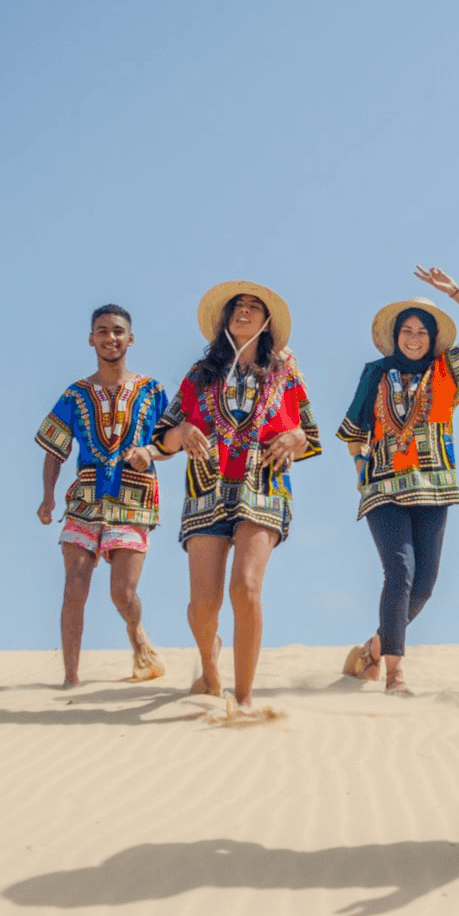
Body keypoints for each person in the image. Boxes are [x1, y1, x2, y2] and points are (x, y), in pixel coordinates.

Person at [334, 266, 459, 695]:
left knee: (425, 585)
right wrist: (359, 469)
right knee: (400, 571)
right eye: (406, 330)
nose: (413, 338)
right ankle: (395, 674)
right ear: (395, 336)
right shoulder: (375, 373)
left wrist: (456, 293)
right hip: (383, 487)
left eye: (421, 332)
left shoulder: (449, 373)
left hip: (434, 487)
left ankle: (374, 646)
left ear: (431, 338)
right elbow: (353, 430)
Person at [154, 281, 320, 711]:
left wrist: (296, 437)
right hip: (206, 490)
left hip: (262, 487)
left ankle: (244, 701)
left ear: (267, 322)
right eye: (237, 306)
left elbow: (310, 434)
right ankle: (211, 673)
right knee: (203, 605)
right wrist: (182, 431)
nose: (244, 312)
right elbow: (162, 439)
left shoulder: (286, 369)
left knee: (245, 589)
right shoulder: (200, 372)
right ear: (225, 318)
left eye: (253, 307)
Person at [35, 304, 170, 690]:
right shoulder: (76, 394)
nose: (110, 337)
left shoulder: (153, 391)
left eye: (117, 331)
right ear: (91, 339)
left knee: (122, 592)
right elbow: (54, 448)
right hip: (85, 496)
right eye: (102, 331)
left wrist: (151, 453)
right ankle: (70, 679)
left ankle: (136, 632)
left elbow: (172, 441)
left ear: (130, 338)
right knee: (75, 585)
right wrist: (47, 496)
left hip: (133, 497)